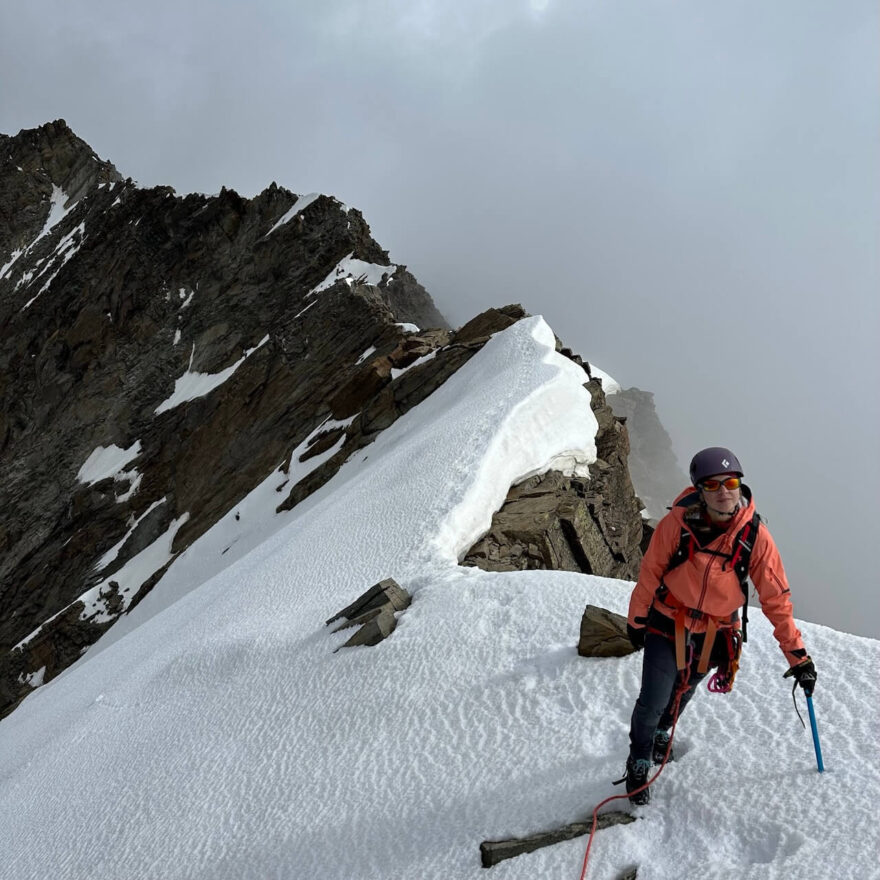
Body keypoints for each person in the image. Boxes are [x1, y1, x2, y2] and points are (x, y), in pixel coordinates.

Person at [622, 446, 817, 805]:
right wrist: (636, 620)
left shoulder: (755, 537)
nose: (724, 491)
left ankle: (665, 730)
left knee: (685, 689)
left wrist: (798, 657)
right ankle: (639, 758)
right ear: (699, 490)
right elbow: (650, 572)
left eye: (730, 482)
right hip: (668, 621)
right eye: (712, 485)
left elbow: (776, 599)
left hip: (717, 633)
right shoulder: (676, 525)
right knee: (653, 699)